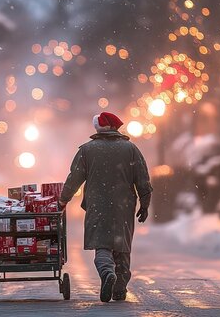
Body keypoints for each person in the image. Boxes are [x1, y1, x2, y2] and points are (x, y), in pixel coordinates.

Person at [58, 111, 153, 303]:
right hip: (124, 206)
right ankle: (119, 288)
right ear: (116, 128)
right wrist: (145, 203)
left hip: (97, 205)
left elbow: (74, 178)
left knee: (102, 245)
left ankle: (107, 272)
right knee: (122, 246)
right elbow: (142, 178)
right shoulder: (131, 149)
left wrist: (63, 199)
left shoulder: (87, 150)